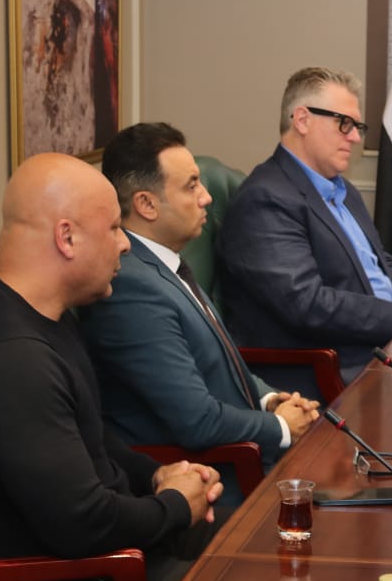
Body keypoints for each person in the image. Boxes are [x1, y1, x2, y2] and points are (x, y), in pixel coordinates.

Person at [0, 153, 224, 581]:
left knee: (270, 543)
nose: (125, 244)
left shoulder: (45, 318)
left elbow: (91, 438)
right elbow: (84, 524)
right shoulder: (11, 360)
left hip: (110, 564)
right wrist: (175, 506)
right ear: (67, 237)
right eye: (114, 228)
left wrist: (158, 475)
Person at [82, 123, 318, 471]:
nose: (206, 197)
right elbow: (198, 421)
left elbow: (220, 367)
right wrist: (281, 427)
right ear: (146, 204)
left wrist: (271, 400)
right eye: (191, 185)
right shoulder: (132, 289)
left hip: (248, 455)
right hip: (217, 478)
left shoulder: (165, 263)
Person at [219, 67, 392, 381]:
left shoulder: (343, 190)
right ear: (302, 120)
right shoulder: (265, 199)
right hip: (331, 369)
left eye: (357, 127)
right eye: (344, 124)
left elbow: (378, 260)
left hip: (384, 344)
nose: (354, 137)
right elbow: (307, 304)